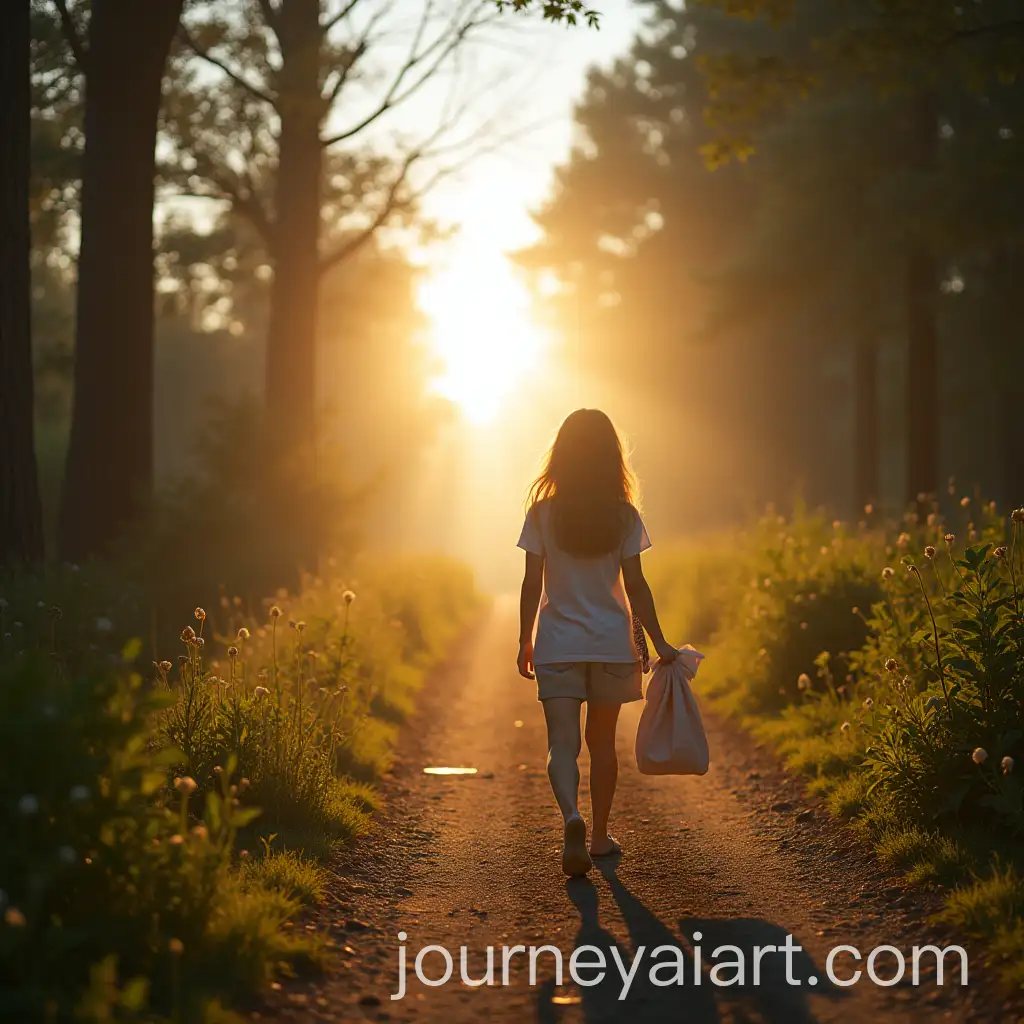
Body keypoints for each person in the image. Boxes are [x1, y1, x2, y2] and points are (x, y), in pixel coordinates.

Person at [516, 408, 678, 877]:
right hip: (610, 645)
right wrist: (660, 642)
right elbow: (637, 587)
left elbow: (531, 583)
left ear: (561, 455)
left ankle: (571, 817)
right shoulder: (624, 517)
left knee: (562, 745)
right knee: (602, 745)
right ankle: (600, 836)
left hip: (558, 645)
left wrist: (525, 638)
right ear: (612, 457)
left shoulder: (542, 513)